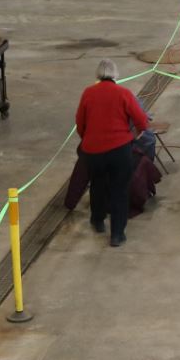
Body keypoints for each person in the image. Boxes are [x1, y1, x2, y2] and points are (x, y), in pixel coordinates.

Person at [74, 58, 155, 247]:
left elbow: (80, 123)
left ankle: (98, 220)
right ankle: (117, 234)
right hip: (120, 151)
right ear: (115, 75)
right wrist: (134, 135)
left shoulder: (88, 93)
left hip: (93, 152)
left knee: (97, 185)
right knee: (120, 190)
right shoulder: (123, 93)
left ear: (97, 75)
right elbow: (142, 121)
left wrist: (89, 139)